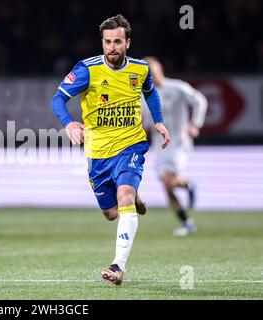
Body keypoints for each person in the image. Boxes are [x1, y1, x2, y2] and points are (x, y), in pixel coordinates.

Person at [51, 15, 170, 285]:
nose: (112, 47)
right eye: (107, 42)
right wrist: (69, 124)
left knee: (124, 196)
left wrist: (159, 120)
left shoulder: (140, 69)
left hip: (131, 144)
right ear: (102, 43)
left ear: (127, 43)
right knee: (111, 213)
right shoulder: (87, 70)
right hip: (98, 152)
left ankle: (117, 267)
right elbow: (58, 98)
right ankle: (134, 196)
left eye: (117, 42)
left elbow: (150, 91)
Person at [143, 56, 208, 237]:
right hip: (159, 146)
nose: (150, 76)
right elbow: (145, 124)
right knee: (167, 186)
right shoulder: (143, 97)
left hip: (179, 143)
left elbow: (200, 100)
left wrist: (195, 123)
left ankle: (188, 186)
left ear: (160, 70)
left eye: (152, 72)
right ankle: (186, 222)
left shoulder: (177, 87)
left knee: (167, 181)